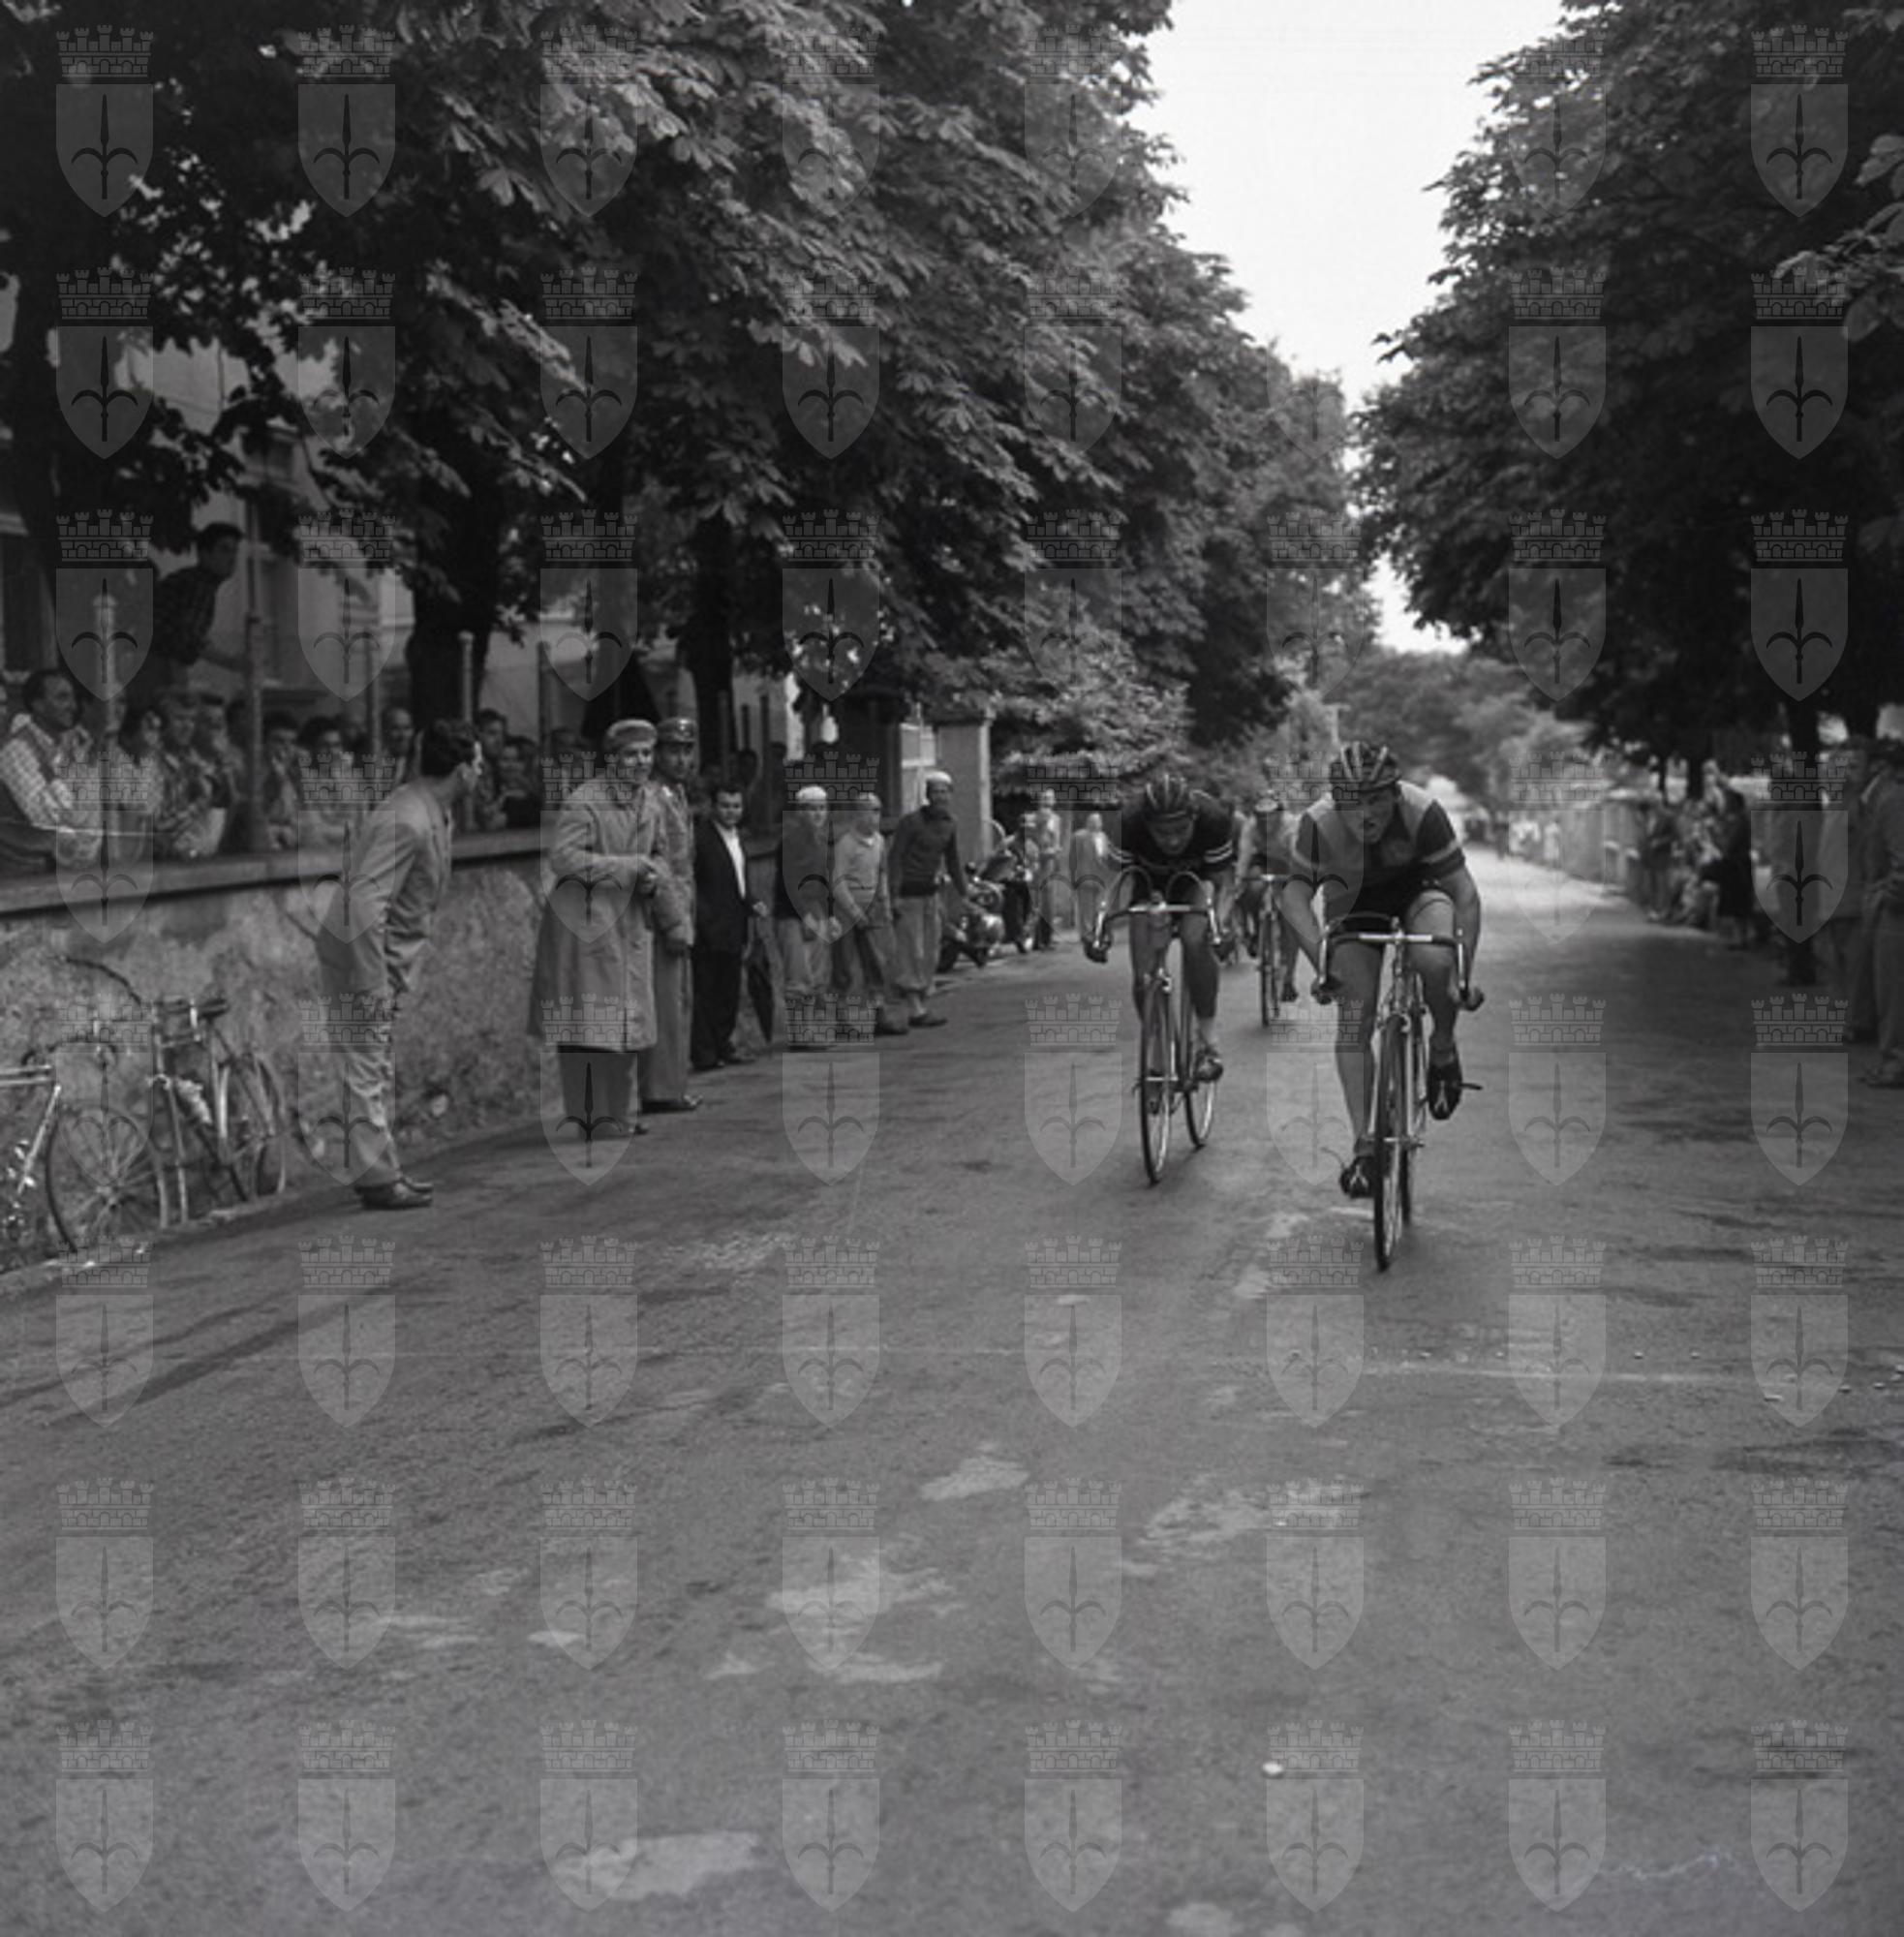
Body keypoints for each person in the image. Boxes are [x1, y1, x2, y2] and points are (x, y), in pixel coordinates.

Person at [1275, 741, 1484, 1200]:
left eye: (1375, 800)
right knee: (1355, 1014)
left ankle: (1442, 1047)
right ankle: (1365, 1146)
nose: (1365, 814)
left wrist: (1462, 973)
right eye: (1353, 802)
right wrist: (1321, 964)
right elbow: (1294, 898)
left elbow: (1464, 894)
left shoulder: (1422, 812)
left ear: (1395, 793)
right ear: (1336, 801)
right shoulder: (1318, 824)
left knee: (1436, 959)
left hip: (1419, 890)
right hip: (1353, 901)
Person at [314, 718, 482, 1210]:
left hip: (381, 954)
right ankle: (377, 1178)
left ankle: (379, 1169)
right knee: (366, 1062)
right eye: (477, 764)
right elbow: (365, 902)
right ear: (462, 770)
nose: (481, 772)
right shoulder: (408, 818)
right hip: (361, 954)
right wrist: (373, 983)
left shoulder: (429, 811)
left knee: (373, 1061)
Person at [528, 718, 670, 1143]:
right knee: (586, 1025)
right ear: (612, 759)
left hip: (629, 924)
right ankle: (588, 1114)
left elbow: (662, 854)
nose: (640, 762)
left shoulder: (651, 802)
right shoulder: (585, 801)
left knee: (628, 1023)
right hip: (585, 927)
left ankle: (620, 1112)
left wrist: (654, 878)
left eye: (646, 753)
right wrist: (627, 868)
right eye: (631, 754)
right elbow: (564, 858)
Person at [1083, 770, 1235, 1081]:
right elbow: (1114, 881)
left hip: (1197, 884)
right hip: (1148, 886)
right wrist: (1099, 925)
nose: (1173, 840)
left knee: (1195, 939)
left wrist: (1221, 923)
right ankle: (1157, 1047)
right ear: (1147, 824)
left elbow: (1224, 882)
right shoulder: (1128, 823)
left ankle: (1207, 1041)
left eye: (1181, 830)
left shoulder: (1212, 819)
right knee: (1143, 975)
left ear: (1193, 819)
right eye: (1162, 833)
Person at [638, 717, 701, 1110]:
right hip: (663, 912)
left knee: (679, 1000)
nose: (681, 759)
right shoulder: (652, 797)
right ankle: (661, 1088)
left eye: (686, 751)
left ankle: (673, 1083)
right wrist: (674, 919)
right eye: (673, 751)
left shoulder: (676, 794)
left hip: (682, 903)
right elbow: (658, 862)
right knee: (665, 1002)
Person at [123, 522, 242, 719]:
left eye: (235, 551)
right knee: (162, 720)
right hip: (154, 666)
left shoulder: (191, 581)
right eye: (224, 550)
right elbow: (189, 639)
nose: (232, 558)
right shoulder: (199, 586)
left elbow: (189, 633)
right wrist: (231, 662)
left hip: (146, 663)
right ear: (204, 554)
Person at [691, 781, 767, 1071]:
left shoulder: (738, 839)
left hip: (735, 923)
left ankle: (723, 1044)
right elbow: (695, 883)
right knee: (706, 990)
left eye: (736, 806)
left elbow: (738, 881)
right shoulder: (701, 839)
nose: (731, 811)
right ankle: (706, 1053)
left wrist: (752, 902)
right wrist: (704, 919)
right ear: (713, 807)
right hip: (709, 927)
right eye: (725, 805)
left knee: (729, 990)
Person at [886, 770, 970, 1029]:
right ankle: (915, 1008)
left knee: (931, 952)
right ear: (927, 795)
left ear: (951, 795)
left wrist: (965, 893)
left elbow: (953, 860)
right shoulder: (911, 823)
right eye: (935, 792)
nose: (940, 797)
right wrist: (894, 895)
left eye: (944, 792)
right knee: (912, 950)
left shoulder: (950, 823)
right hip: (908, 894)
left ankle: (920, 1001)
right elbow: (895, 858)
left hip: (931, 894)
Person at [0, 667, 98, 874]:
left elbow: (90, 821)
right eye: (62, 698)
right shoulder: (17, 751)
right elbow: (48, 821)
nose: (72, 706)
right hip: (25, 875)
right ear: (38, 705)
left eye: (72, 698)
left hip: (68, 870)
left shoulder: (72, 748)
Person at [833, 790, 907, 1035]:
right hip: (846, 911)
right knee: (844, 966)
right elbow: (837, 882)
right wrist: (855, 912)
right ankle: (840, 1018)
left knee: (875, 963)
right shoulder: (846, 844)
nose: (873, 817)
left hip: (872, 907)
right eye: (868, 811)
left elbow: (881, 872)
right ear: (857, 814)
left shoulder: (879, 842)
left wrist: (884, 902)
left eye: (877, 811)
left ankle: (879, 1012)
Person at [775, 784, 839, 1044]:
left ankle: (815, 1027)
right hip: (793, 914)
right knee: (799, 976)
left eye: (822, 808)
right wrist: (804, 915)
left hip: (818, 910)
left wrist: (830, 915)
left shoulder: (823, 842)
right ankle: (799, 1032)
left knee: (818, 975)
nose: (817, 814)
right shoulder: (791, 842)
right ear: (800, 812)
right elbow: (790, 882)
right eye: (811, 808)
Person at [1235, 781, 1300, 1004]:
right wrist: (1239, 880)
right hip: (1262, 861)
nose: (1266, 821)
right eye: (1261, 816)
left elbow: (1297, 856)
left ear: (1280, 814)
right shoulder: (1250, 827)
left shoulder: (1291, 826)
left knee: (1291, 920)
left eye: (1271, 816)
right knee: (1252, 888)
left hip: (1287, 863)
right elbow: (1244, 856)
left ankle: (1289, 977)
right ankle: (1257, 928)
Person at [1862, 741, 1904, 1090]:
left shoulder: (1893, 800)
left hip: (1896, 914)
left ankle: (1895, 1063)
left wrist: (1886, 897)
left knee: (1893, 990)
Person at [1067, 811, 1111, 946]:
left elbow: (1106, 857)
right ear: (1088, 822)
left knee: (1099, 907)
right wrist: (1073, 877)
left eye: (1098, 821)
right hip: (1084, 877)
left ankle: (1097, 932)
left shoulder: (1103, 837)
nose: (1097, 823)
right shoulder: (1079, 837)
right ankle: (1087, 936)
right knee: (1086, 909)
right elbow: (1073, 859)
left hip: (1100, 878)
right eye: (1093, 821)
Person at [1031, 786, 1064, 945]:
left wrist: (1056, 853)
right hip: (1038, 862)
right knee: (1039, 900)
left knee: (1049, 901)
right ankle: (1038, 938)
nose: (1048, 801)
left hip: (1050, 863)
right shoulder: (1035, 818)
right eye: (1045, 797)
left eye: (1051, 798)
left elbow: (1056, 840)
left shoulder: (1056, 819)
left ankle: (1048, 936)